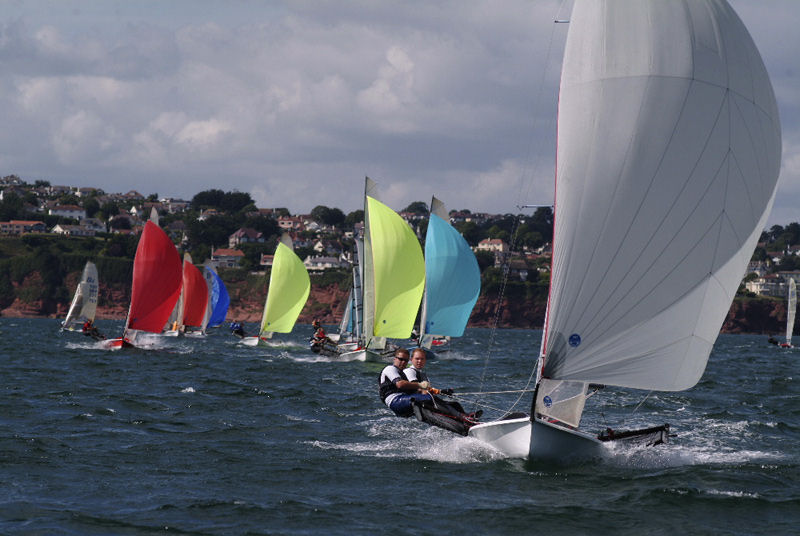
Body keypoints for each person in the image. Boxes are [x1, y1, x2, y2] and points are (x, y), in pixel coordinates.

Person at [404, 347, 479, 421]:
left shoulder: (422, 374)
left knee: (455, 404)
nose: (419, 361)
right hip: (413, 402)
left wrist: (442, 391)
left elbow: (428, 390)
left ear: (425, 360)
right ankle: (464, 418)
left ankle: (466, 417)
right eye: (417, 359)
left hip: (425, 400)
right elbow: (418, 388)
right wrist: (439, 391)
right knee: (441, 404)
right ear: (411, 359)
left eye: (422, 359)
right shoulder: (409, 371)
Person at [378, 348, 434, 417]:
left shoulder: (403, 374)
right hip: (395, 401)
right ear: (394, 359)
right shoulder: (390, 368)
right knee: (428, 398)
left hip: (402, 400)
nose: (403, 362)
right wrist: (421, 385)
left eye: (406, 360)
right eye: (401, 359)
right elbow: (400, 384)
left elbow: (414, 390)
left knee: (430, 398)